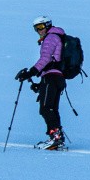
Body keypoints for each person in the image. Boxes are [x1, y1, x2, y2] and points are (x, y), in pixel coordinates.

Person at [16, 16, 68, 149]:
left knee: (46, 108)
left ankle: (55, 137)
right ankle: (56, 137)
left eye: (41, 27)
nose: (39, 30)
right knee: (51, 108)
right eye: (36, 28)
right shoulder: (57, 37)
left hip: (51, 77)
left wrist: (29, 73)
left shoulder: (50, 38)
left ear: (48, 25)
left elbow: (45, 59)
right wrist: (40, 85)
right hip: (57, 77)